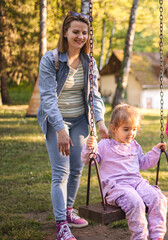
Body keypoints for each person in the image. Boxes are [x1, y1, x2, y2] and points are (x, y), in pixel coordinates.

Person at [37, 12, 108, 240]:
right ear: (65, 33)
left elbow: (93, 95)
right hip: (56, 120)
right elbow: (47, 97)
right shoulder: (51, 60)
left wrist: (100, 121)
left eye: (84, 33)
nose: (80, 36)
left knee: (77, 167)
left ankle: (68, 211)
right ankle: (60, 225)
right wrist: (59, 130)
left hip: (79, 120)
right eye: (75, 32)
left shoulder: (90, 62)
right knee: (61, 172)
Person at [82, 104, 167, 240]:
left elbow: (144, 163)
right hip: (116, 187)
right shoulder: (104, 145)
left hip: (136, 183)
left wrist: (155, 151)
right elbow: (89, 161)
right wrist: (89, 148)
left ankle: (157, 235)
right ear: (114, 128)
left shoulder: (134, 145)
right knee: (135, 202)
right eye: (126, 129)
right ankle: (140, 237)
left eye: (134, 129)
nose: (131, 133)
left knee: (158, 198)